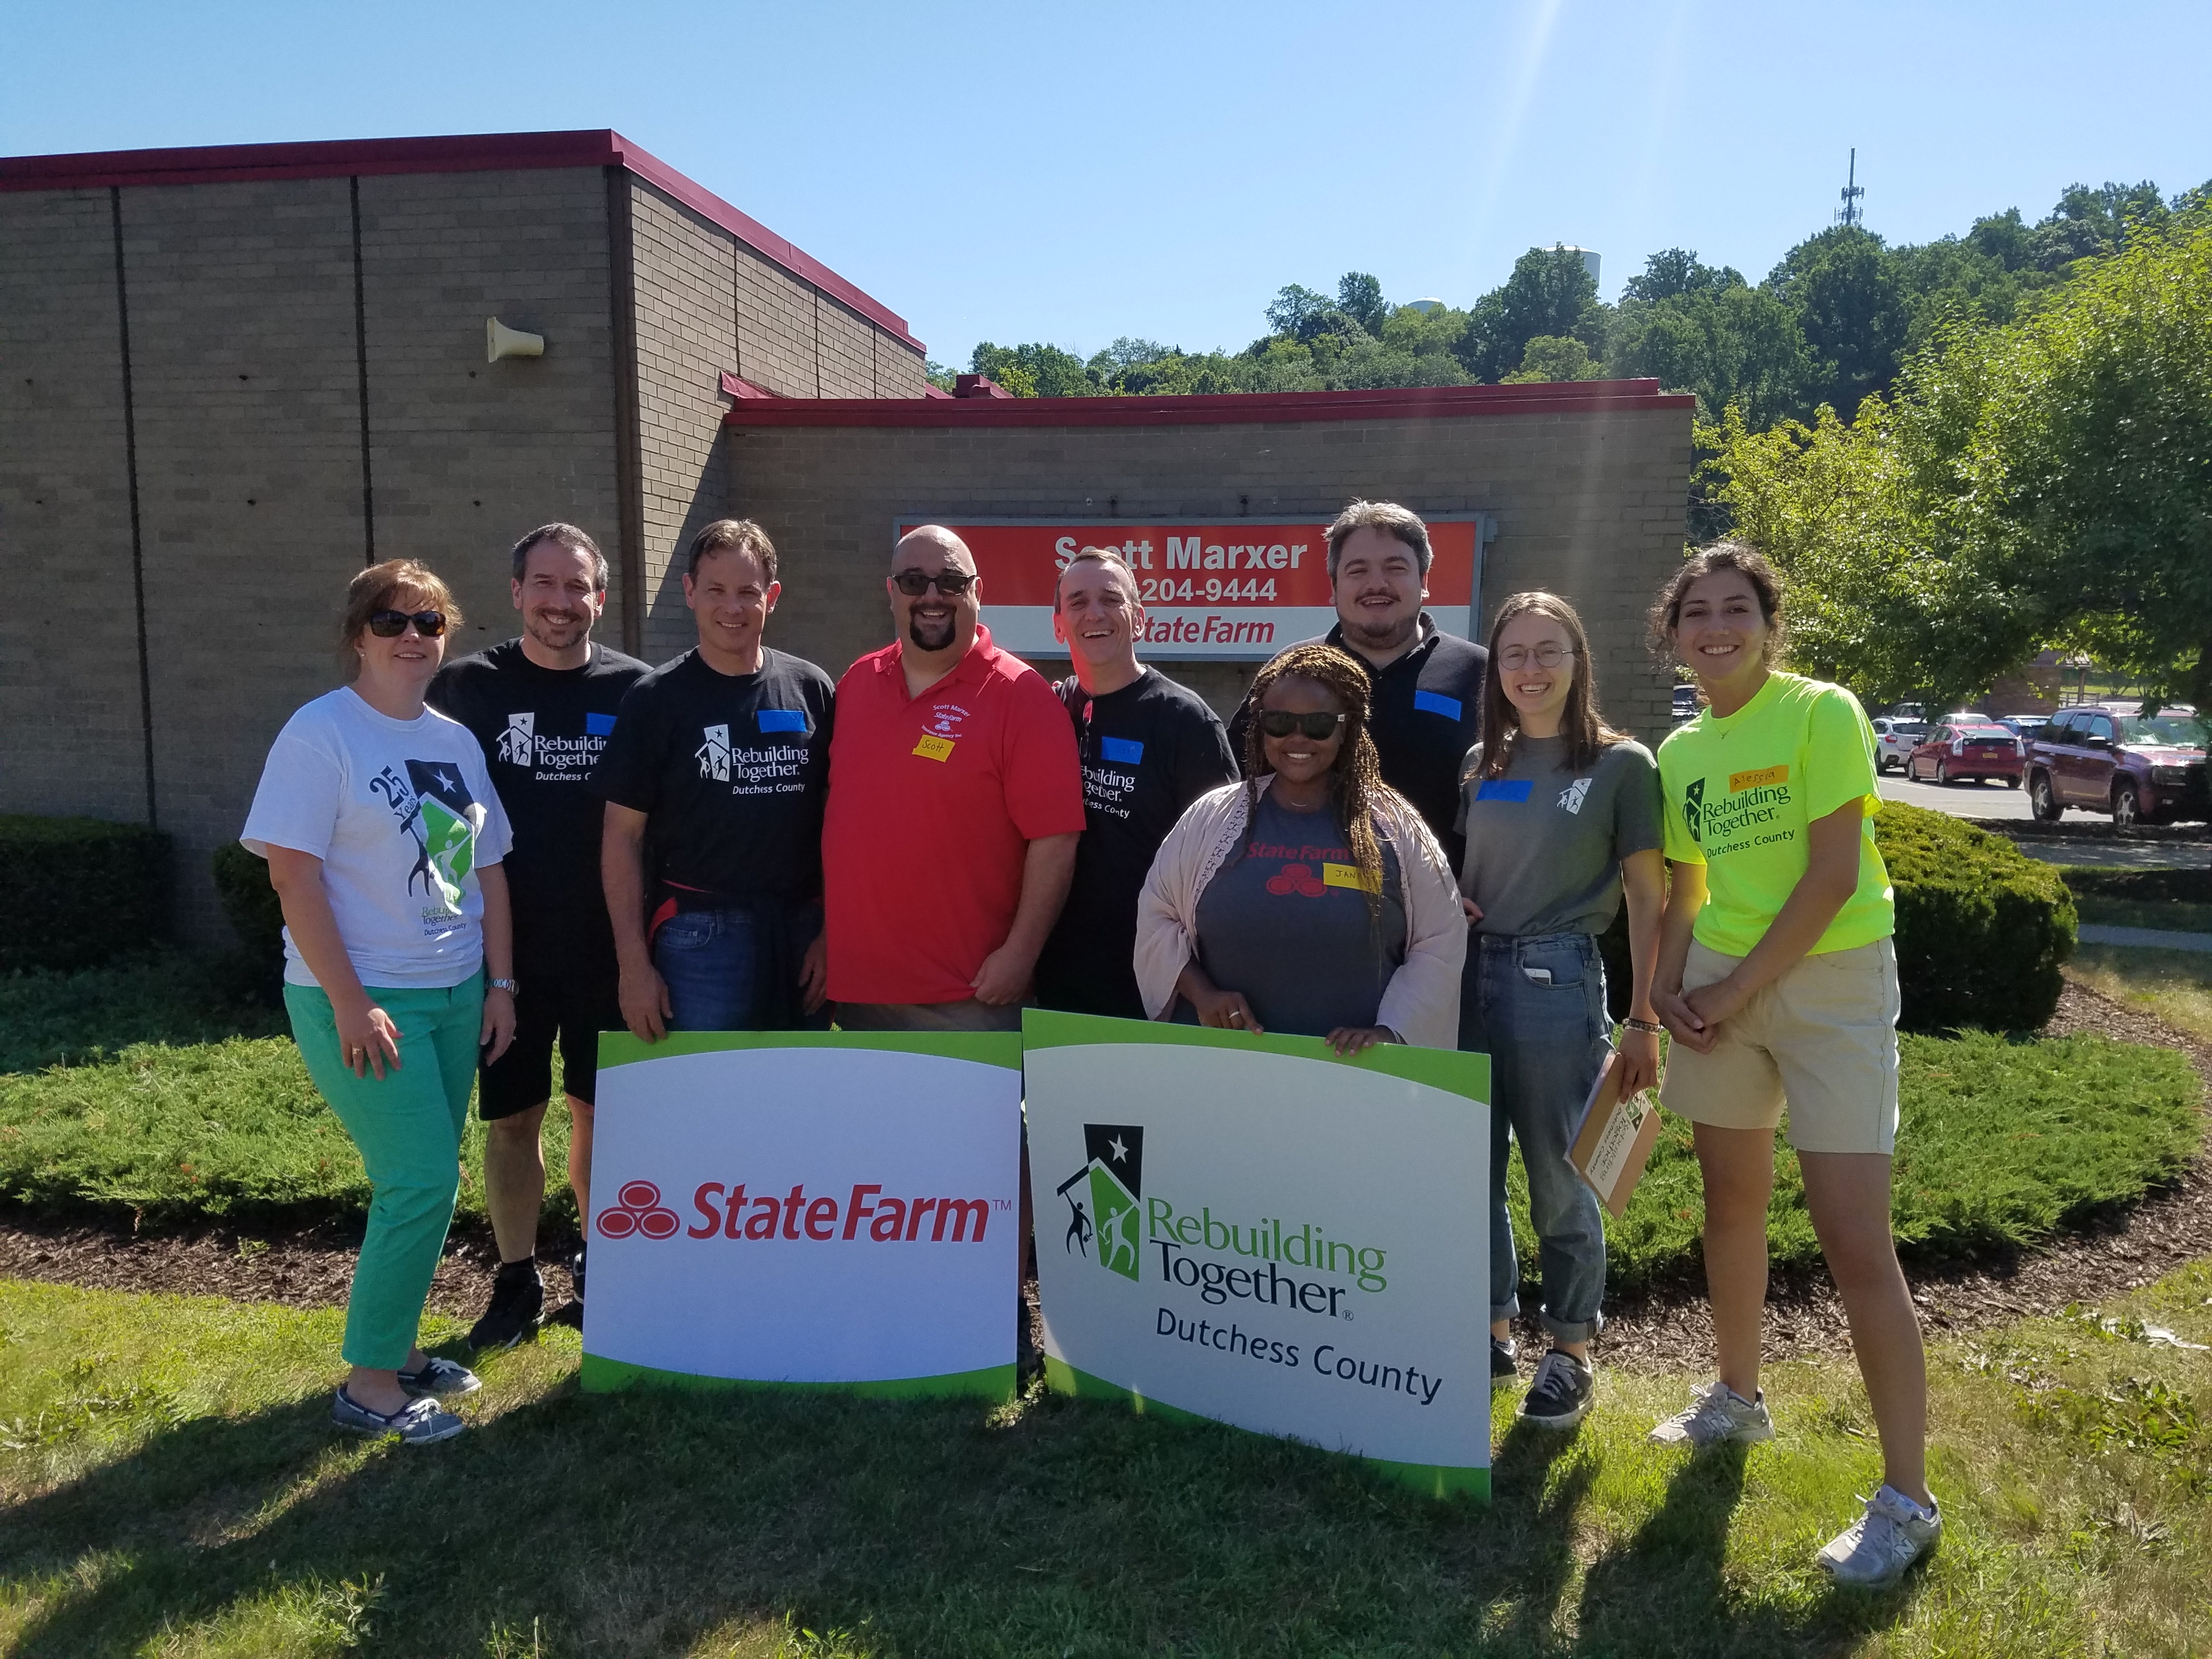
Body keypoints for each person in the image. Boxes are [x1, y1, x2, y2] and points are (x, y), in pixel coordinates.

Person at [1646, 542, 1938, 1589]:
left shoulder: (1824, 711)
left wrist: (1727, 991)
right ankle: (1737, 1396)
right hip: (1719, 981)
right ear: (1671, 634)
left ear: (1769, 625)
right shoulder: (1677, 750)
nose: (1715, 626)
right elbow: (1686, 887)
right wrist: (1664, 994)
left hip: (1829, 979)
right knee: (1729, 1201)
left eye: (1736, 608)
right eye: (1696, 612)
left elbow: (1829, 875)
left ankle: (1905, 1499)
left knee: (1855, 1238)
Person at [241, 560, 516, 1444]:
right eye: (393, 620)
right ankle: (369, 1386)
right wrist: (353, 1001)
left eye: (429, 622)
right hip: (359, 997)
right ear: (358, 633)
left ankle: (395, 1352)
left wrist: (500, 983)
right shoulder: (321, 734)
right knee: (421, 1178)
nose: (412, 637)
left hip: (453, 988)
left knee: (428, 1180)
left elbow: (489, 869)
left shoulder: (454, 741)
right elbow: (292, 874)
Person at [427, 523, 648, 1346]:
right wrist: (464, 950)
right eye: (545, 584)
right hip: (502, 959)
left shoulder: (638, 690)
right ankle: (516, 1279)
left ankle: (603, 1260)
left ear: (601, 595)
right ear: (517, 592)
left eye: (579, 586)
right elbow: (443, 833)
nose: (563, 601)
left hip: (608, 952)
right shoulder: (464, 689)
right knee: (513, 1118)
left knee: (600, 1113)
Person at [1455, 592, 1666, 1429]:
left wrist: (1644, 1019)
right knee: (1470, 1170)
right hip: (1472, 978)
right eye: (1514, 654)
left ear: (1579, 661)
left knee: (1559, 1177)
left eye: (1549, 652)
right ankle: (1493, 1329)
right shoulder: (1481, 762)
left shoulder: (1621, 765)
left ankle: (1570, 1349)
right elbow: (1472, 872)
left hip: (1558, 981)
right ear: (1495, 668)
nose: (1530, 670)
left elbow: (1651, 897)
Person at [1135, 644, 1465, 1052]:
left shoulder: (1396, 828)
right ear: (1260, 725)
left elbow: (1441, 943)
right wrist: (1203, 995)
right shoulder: (1212, 818)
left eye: (1319, 724)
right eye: (1279, 722)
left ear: (1346, 729)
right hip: (1224, 1065)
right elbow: (1158, 916)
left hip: (1357, 1078)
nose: (1298, 738)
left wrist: (1391, 1032)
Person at [821, 524, 1085, 1032]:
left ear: (978, 592)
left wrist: (1019, 955)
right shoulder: (857, 683)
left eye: (952, 581)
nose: (933, 596)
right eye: (915, 581)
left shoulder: (1021, 696)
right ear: (892, 592)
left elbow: (1056, 841)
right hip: (858, 993)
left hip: (967, 998)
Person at [597, 518, 836, 1045]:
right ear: (688, 592)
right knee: (705, 1104)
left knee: (795, 1095)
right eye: (716, 591)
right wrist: (633, 966)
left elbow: (836, 823)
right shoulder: (655, 700)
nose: (733, 608)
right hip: (699, 937)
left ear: (772, 596)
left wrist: (830, 933)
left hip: (800, 933)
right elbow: (621, 837)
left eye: (748, 592)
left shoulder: (811, 688)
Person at [1034, 546, 1240, 1019]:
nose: (1095, 613)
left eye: (1111, 599)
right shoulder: (1046, 711)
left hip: (1159, 986)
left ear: (1140, 619)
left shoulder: (1186, 722)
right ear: (1059, 623)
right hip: (1057, 979)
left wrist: (1201, 984)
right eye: (1078, 602)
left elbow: (1225, 864)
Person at [1229, 501, 1487, 870]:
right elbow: (1240, 783)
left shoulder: (1479, 672)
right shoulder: (1291, 670)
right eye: (1357, 570)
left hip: (1441, 910)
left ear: (1425, 581)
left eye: (1395, 568)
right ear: (1334, 586)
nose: (1376, 584)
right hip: (1303, 895)